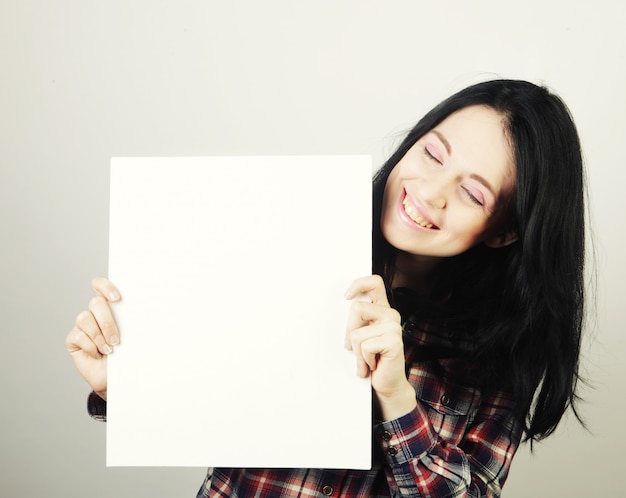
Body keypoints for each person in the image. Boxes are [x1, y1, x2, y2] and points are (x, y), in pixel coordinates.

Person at [66, 79, 587, 497]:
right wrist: (126, 384)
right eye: (432, 154)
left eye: (472, 192)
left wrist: (396, 396)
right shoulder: (286, 238)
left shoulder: (501, 353)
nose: (429, 192)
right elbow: (216, 397)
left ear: (504, 230)